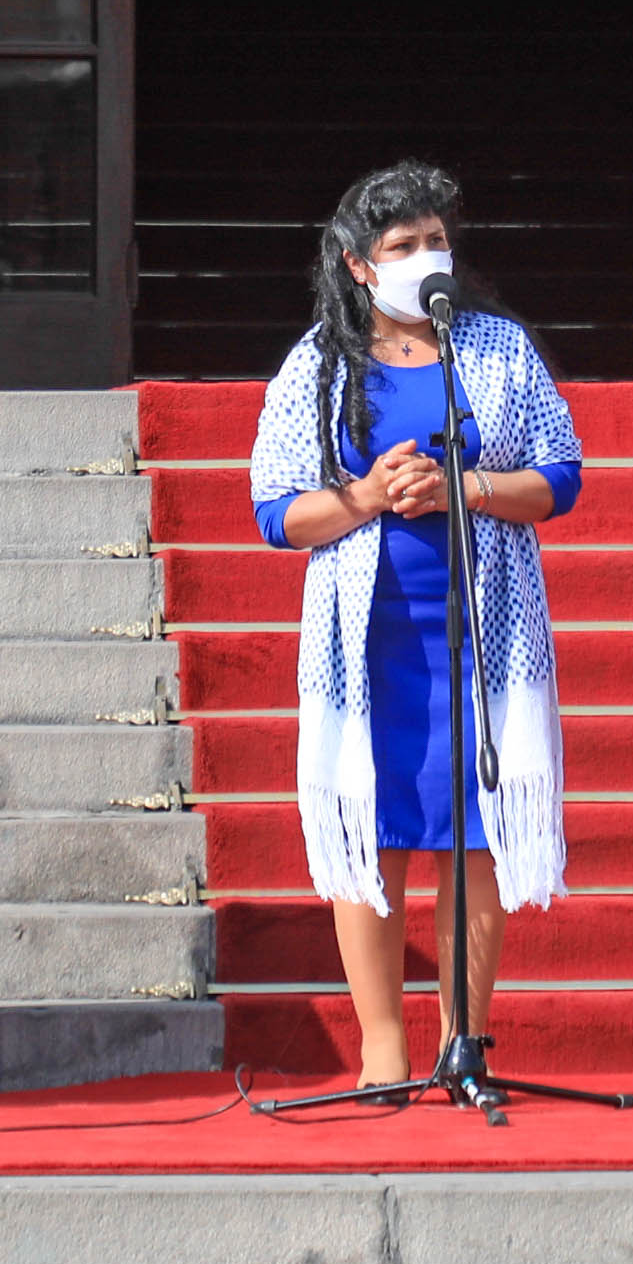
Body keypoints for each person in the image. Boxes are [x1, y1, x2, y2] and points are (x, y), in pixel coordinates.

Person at [247, 162, 585, 1095]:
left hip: (485, 630)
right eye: (402, 247)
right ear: (360, 266)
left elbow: (560, 474)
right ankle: (383, 1044)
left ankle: (462, 1043)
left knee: (473, 827)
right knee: (376, 823)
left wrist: (462, 489)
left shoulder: (499, 349)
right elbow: (275, 511)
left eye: (436, 242)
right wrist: (364, 495)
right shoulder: (318, 363)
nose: (424, 258)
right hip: (370, 637)